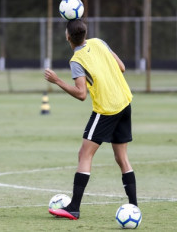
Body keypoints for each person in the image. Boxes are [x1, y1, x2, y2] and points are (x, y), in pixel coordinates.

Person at [45, 19, 137, 220]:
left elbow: (81, 94)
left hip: (106, 109)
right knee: (122, 158)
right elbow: (121, 67)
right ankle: (134, 207)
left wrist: (57, 80)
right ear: (85, 34)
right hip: (124, 102)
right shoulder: (99, 42)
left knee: (84, 155)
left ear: (67, 36)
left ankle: (74, 208)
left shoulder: (76, 60)